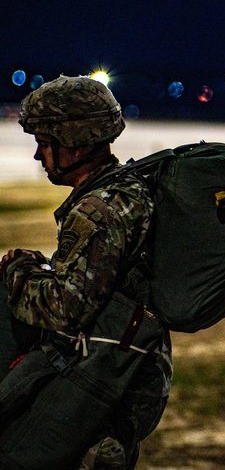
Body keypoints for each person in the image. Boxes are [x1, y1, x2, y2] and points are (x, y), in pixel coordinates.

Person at [0, 75, 171, 469]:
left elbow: (67, 309)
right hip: (118, 366)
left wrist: (18, 272)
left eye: (45, 143)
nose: (38, 155)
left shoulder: (100, 210)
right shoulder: (121, 190)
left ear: (75, 141)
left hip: (107, 377)